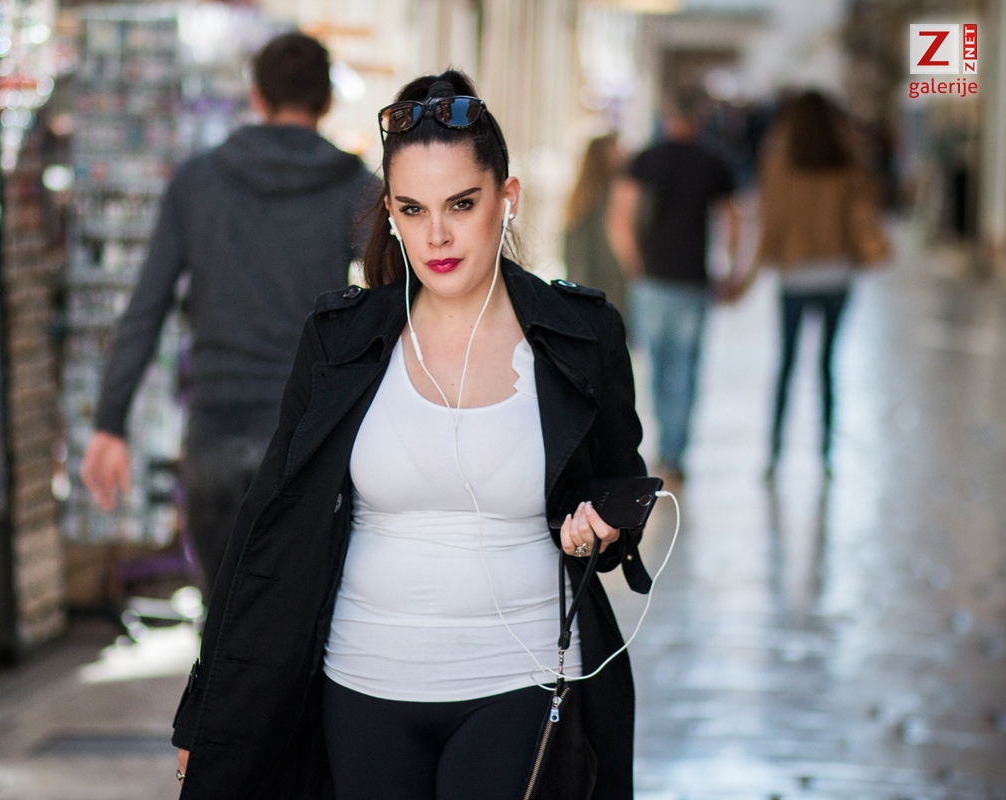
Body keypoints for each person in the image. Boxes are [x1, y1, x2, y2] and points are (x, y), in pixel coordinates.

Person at [172, 70, 650, 800]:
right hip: (362, 683)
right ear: (390, 212)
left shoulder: (579, 335)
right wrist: (204, 712)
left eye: (462, 203)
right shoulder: (341, 340)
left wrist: (602, 523)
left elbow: (620, 482)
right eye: (412, 209)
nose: (437, 235)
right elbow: (266, 528)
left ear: (507, 198)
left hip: (519, 679)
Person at [79, 32, 373, 595]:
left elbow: (146, 308)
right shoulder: (356, 189)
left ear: (256, 96)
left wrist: (109, 424)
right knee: (296, 618)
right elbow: (401, 294)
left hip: (214, 433)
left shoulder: (198, 181)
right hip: (302, 436)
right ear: (327, 101)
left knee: (221, 623)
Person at [734, 90, 888, 475]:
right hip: (838, 274)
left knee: (787, 363)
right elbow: (870, 206)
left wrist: (747, 277)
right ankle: (826, 454)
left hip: (795, 276)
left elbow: (770, 224)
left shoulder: (779, 164)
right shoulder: (849, 164)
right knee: (827, 365)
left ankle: (774, 454)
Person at [608, 94, 738, 485]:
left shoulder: (646, 160)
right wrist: (730, 268)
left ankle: (662, 443)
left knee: (656, 364)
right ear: (697, 120)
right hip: (693, 280)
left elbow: (620, 217)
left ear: (667, 118)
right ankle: (674, 453)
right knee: (686, 367)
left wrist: (634, 262)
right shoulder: (713, 162)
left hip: (653, 277)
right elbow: (732, 220)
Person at [564, 134, 630, 327]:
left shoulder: (578, 195)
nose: (622, 154)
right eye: (616, 149)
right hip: (609, 284)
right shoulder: (615, 192)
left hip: (584, 286)